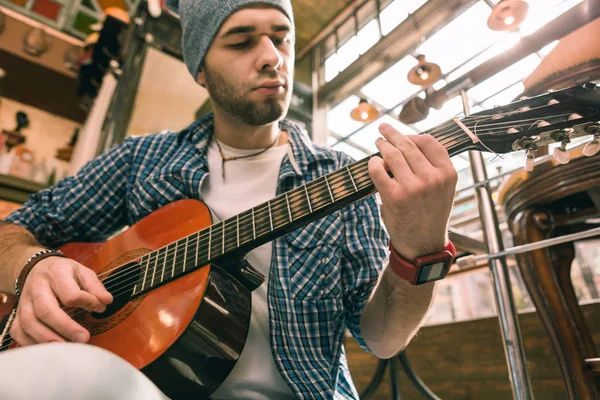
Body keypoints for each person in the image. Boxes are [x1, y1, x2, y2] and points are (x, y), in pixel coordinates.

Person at [0, 0, 458, 398]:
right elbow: (12, 230)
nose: (271, 58)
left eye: (282, 39)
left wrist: (418, 251)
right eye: (241, 42)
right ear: (200, 67)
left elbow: (382, 338)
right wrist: (33, 265)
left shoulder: (342, 175)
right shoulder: (141, 159)